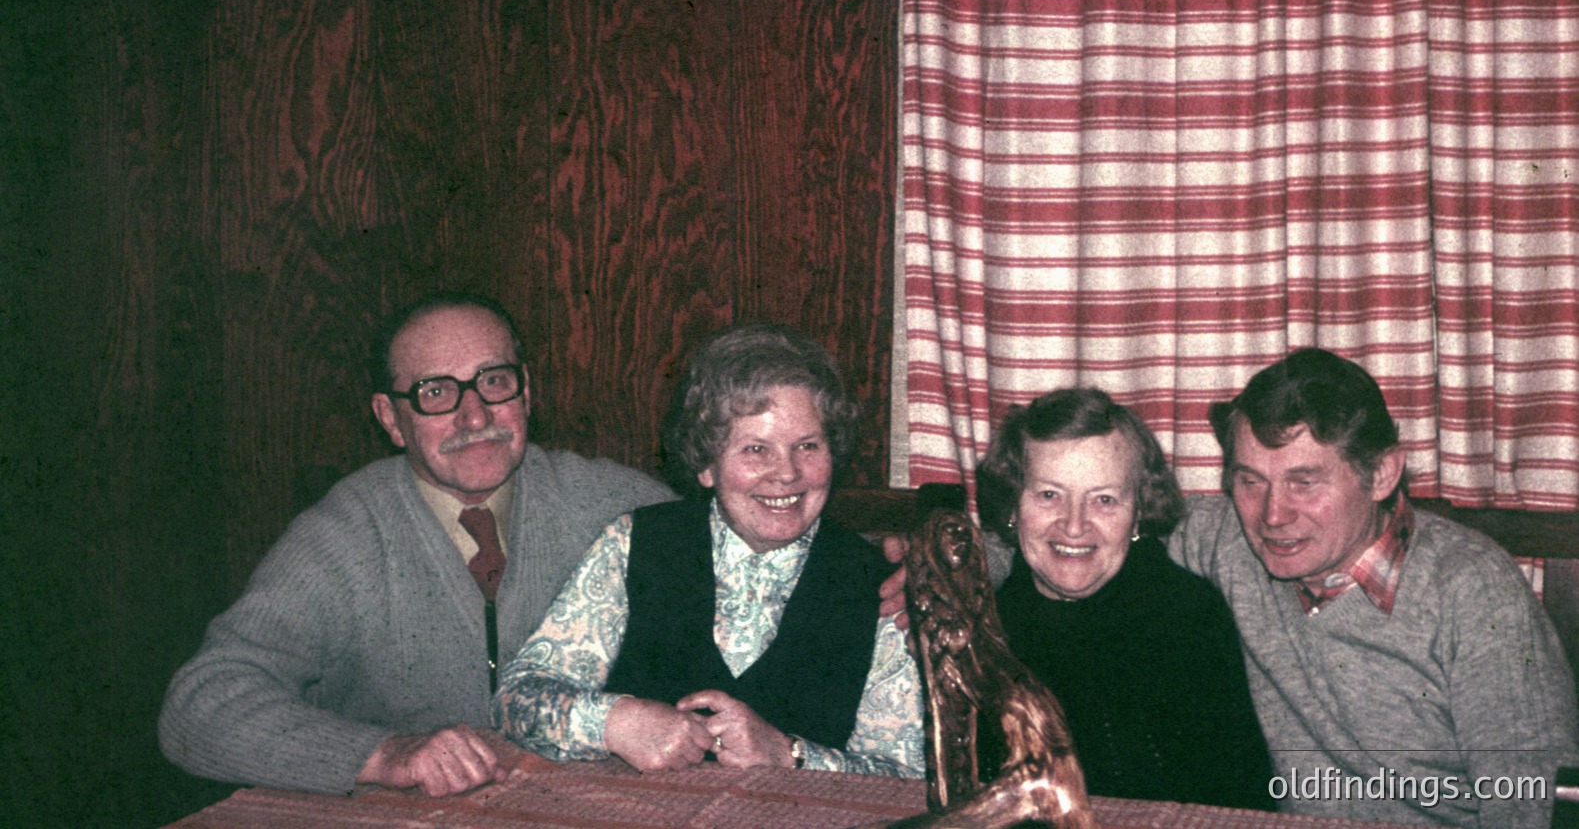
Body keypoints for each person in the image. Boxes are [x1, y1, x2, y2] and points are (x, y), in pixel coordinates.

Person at [158, 291, 676, 797]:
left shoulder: (621, 507)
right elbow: (199, 707)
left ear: (527, 393)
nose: (475, 417)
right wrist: (382, 754)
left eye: (494, 381)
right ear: (390, 419)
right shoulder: (346, 534)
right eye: (435, 392)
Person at [1172, 347, 1579, 828]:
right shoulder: (1227, 540)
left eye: (1304, 482)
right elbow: (1108, 524)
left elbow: (1537, 803)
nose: (1272, 515)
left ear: (1382, 474)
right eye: (1250, 482)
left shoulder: (1472, 590)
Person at [495, 322, 924, 777]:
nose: (786, 473)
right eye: (756, 449)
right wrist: (613, 722)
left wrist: (791, 756)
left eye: (808, 446)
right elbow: (516, 698)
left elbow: (908, 776)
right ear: (705, 465)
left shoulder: (883, 583)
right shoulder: (635, 544)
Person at [973, 387, 1274, 809]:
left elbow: (1236, 797)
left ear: (1138, 512)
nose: (1074, 526)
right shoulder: (984, 621)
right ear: (1012, 505)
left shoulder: (1187, 618)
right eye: (1049, 495)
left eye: (1105, 500)